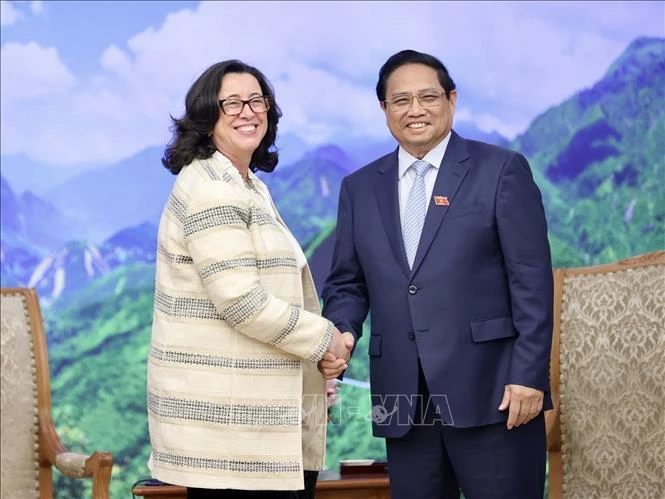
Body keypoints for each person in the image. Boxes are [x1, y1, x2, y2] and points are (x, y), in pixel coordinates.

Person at [320, 49, 554, 499]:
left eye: (428, 96)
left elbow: (532, 282)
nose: (416, 110)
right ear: (384, 109)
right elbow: (347, 282)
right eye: (401, 100)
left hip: (496, 394)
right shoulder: (360, 187)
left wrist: (529, 376)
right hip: (404, 405)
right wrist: (342, 330)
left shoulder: (501, 170)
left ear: (451, 99)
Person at [147, 59, 353, 499]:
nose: (248, 111)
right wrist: (325, 338)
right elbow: (241, 301)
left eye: (257, 100)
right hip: (230, 432)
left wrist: (317, 358)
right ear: (206, 118)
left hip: (254, 424)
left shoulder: (246, 184)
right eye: (232, 103)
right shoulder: (211, 187)